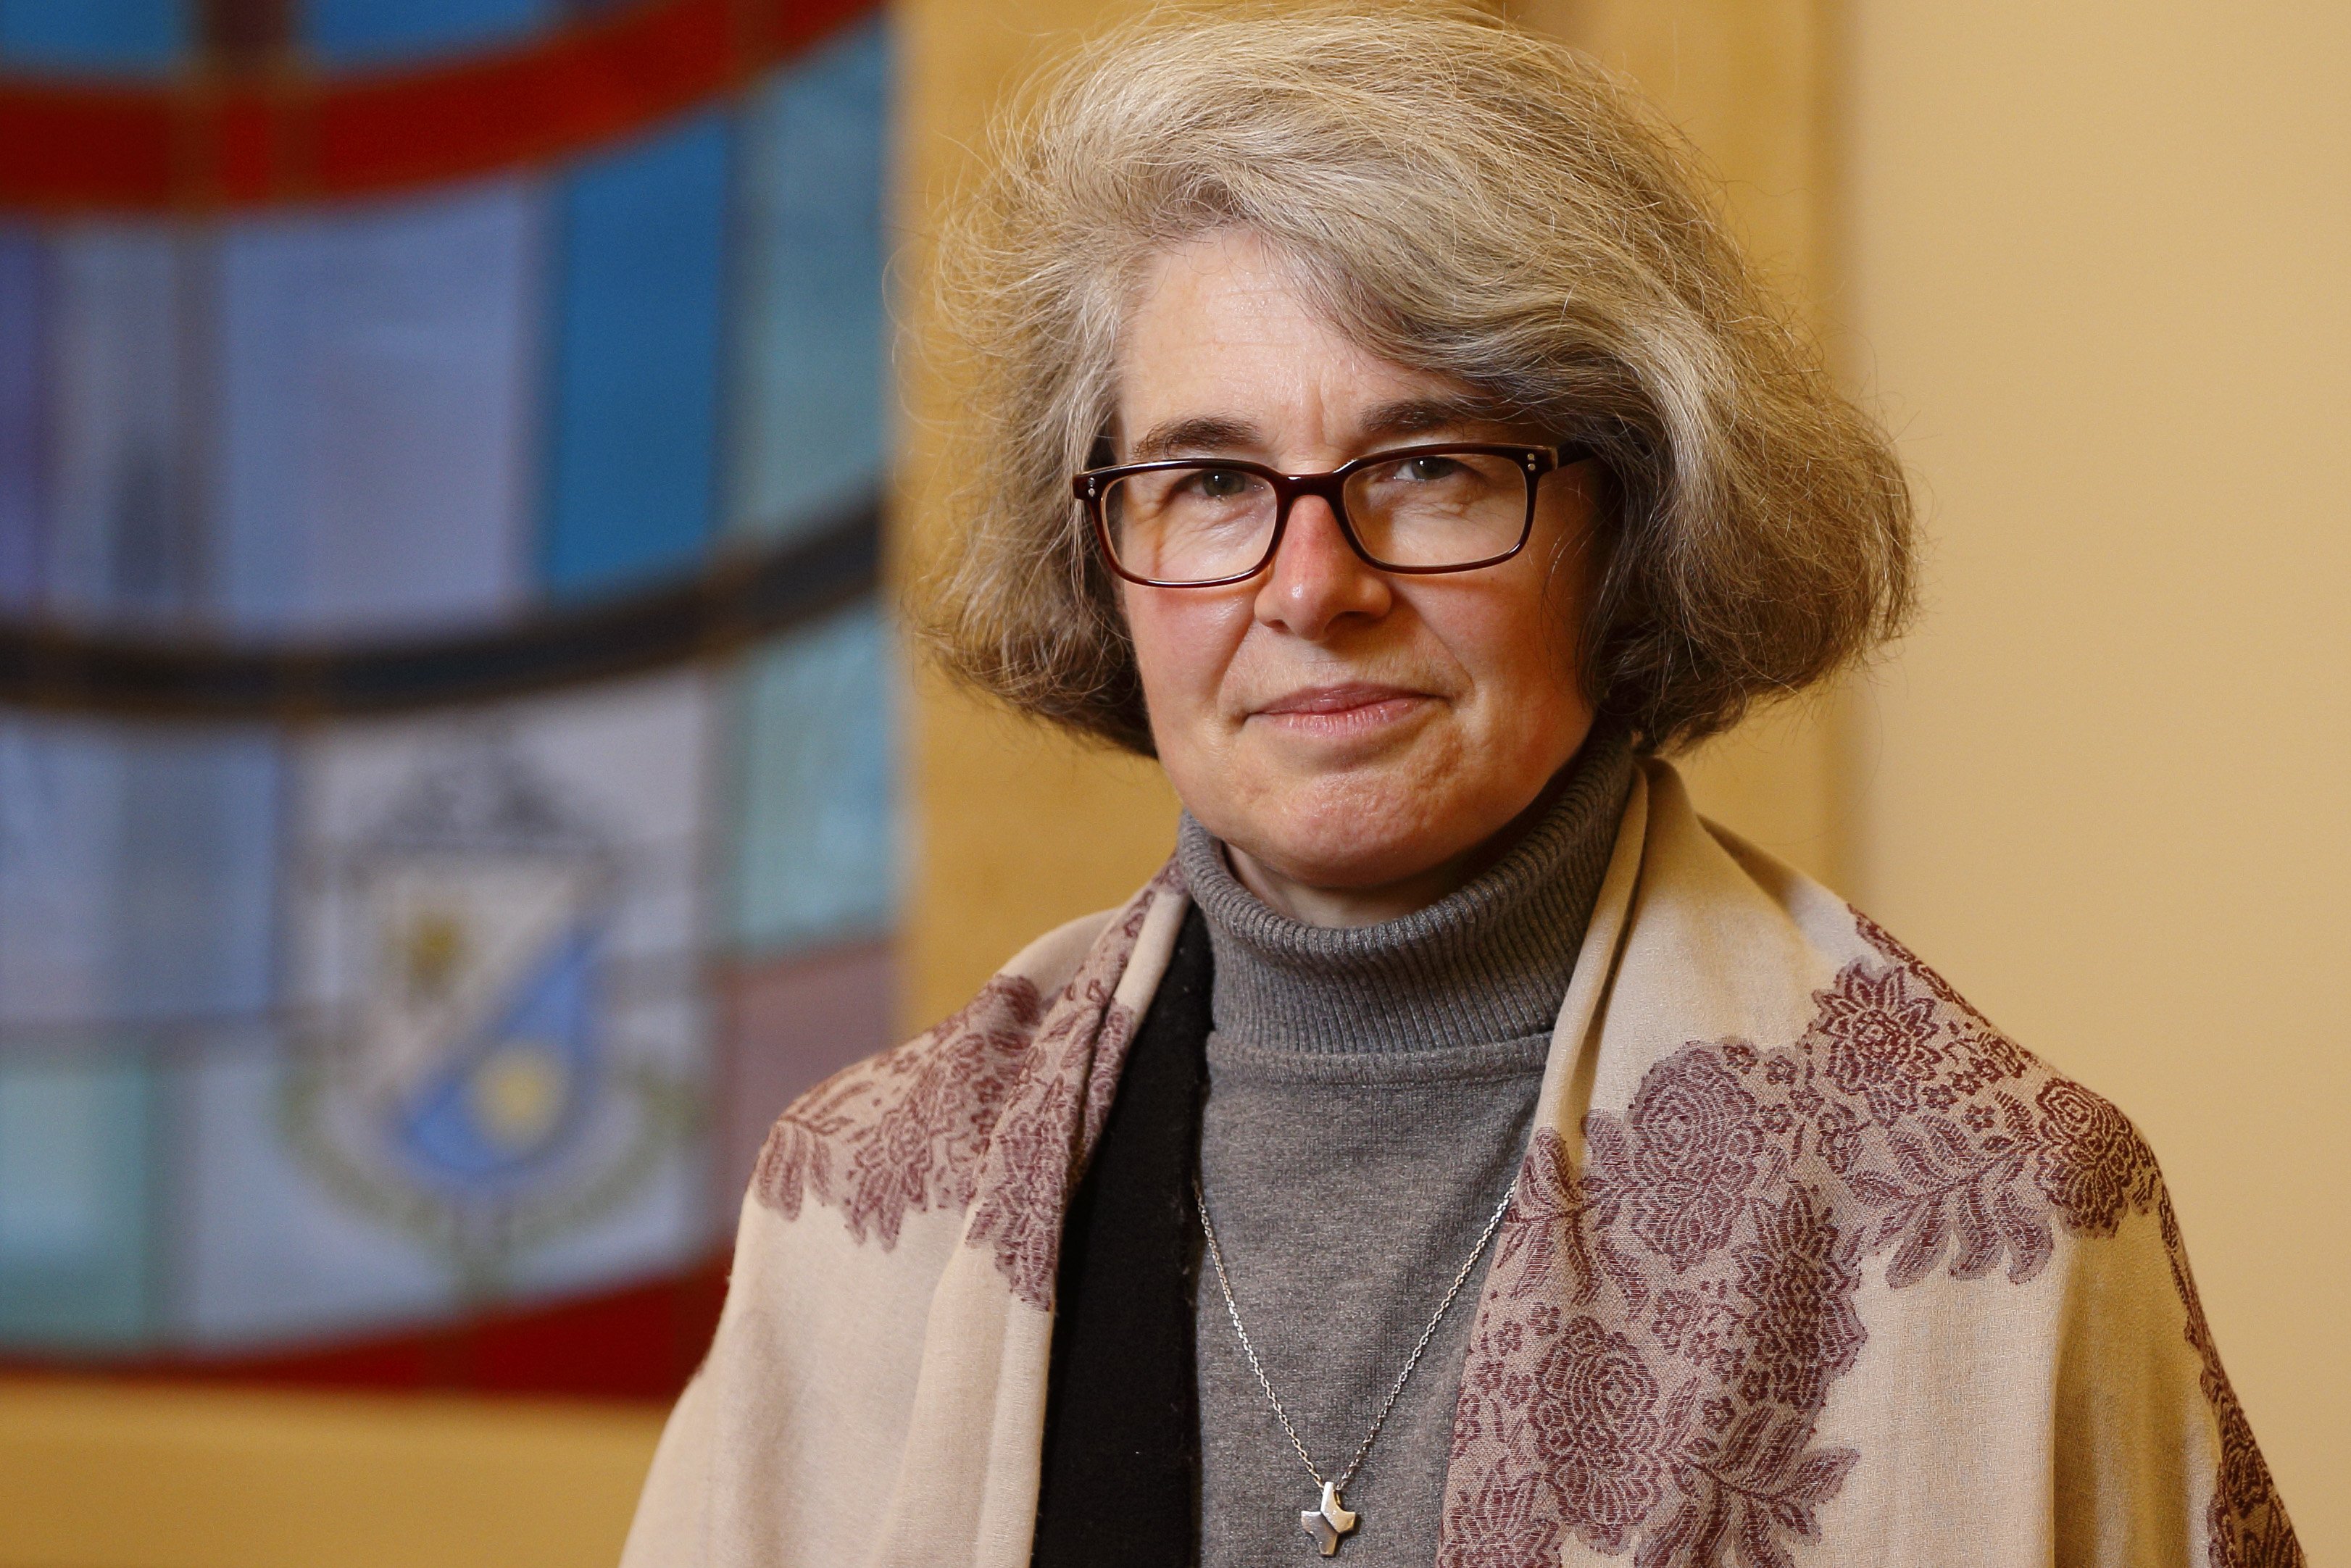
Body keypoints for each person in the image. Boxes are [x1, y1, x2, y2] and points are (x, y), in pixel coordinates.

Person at [622, 7, 2300, 1565]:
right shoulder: (856, 1206)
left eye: (1424, 466)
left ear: (1625, 518)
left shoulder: (1996, 1217)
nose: (1308, 586)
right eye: (1209, 480)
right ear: (1105, 558)